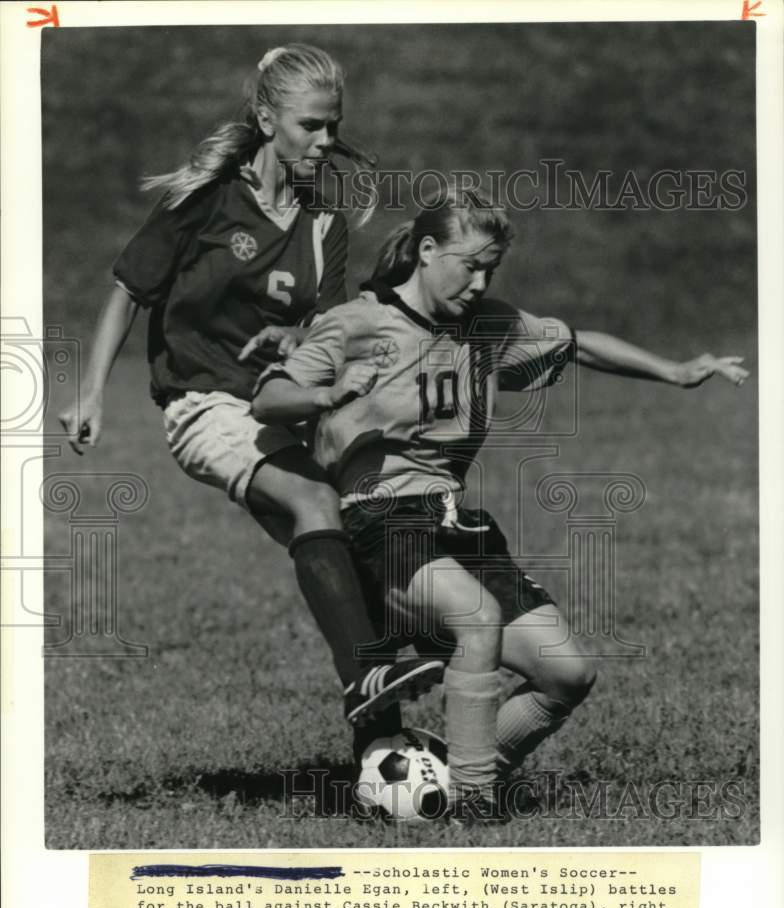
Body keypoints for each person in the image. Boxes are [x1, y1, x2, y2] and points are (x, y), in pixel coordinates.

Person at [251, 184, 748, 822]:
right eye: (470, 264)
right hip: (378, 520)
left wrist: (677, 370)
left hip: (455, 523)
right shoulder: (358, 324)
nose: (481, 281)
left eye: (491, 268)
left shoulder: (486, 329)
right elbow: (270, 401)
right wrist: (326, 396)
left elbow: (578, 343)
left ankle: (454, 774)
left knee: (569, 674)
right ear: (427, 252)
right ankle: (476, 807)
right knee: (477, 621)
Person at [57, 43, 443, 739]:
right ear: (267, 119)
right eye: (311, 126)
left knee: (356, 558)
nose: (326, 143)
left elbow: (322, 335)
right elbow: (128, 290)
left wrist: (312, 350)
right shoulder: (206, 201)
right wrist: (91, 393)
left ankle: (381, 742)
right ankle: (367, 677)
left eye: (333, 126)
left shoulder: (324, 227)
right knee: (314, 500)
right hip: (202, 405)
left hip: (280, 413)